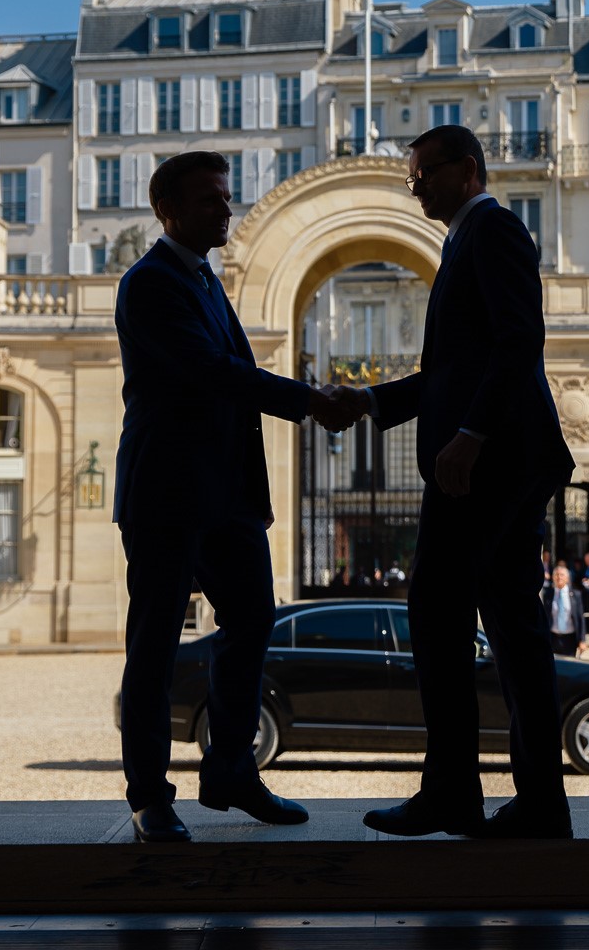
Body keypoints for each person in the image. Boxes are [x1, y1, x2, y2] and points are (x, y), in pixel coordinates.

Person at [333, 124, 575, 840]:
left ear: (467, 170)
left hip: (487, 466)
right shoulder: (466, 240)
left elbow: (518, 341)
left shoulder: (492, 230)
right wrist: (370, 400)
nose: (415, 187)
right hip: (503, 460)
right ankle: (539, 804)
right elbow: (450, 372)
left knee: (437, 611)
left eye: (424, 174)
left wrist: (471, 435)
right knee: (515, 631)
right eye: (411, 177)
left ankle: (452, 794)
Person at [113, 151, 356, 844]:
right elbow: (213, 372)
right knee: (155, 645)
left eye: (227, 195)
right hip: (167, 494)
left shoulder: (202, 278)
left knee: (252, 620)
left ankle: (229, 771)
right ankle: (149, 796)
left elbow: (229, 381)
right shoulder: (149, 282)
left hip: (227, 496)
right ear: (168, 210)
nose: (227, 208)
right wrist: (310, 399)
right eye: (211, 198)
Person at [543, 563, 584, 657]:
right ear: (553, 577)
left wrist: (582, 640)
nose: (559, 577)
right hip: (553, 638)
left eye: (562, 575)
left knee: (569, 664)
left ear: (567, 578)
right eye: (556, 575)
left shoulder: (576, 595)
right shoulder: (548, 595)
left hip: (570, 639)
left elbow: (580, 618)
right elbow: (544, 617)